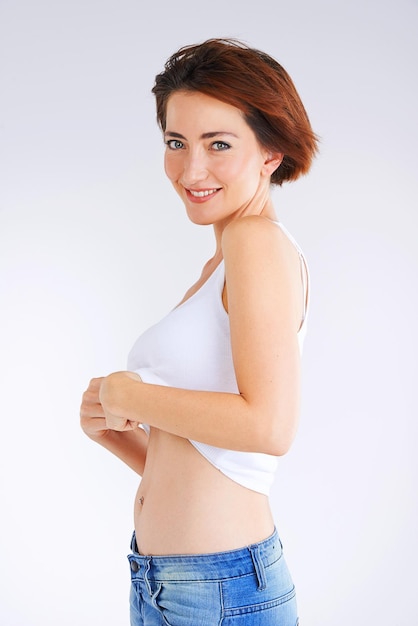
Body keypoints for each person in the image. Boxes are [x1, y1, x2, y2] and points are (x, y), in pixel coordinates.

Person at [80, 37, 318, 626]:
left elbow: (269, 426)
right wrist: (114, 431)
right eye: (176, 143)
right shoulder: (221, 265)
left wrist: (131, 395)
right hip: (175, 583)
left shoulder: (254, 241)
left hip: (218, 591)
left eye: (219, 144)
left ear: (270, 151)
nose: (192, 169)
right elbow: (211, 469)